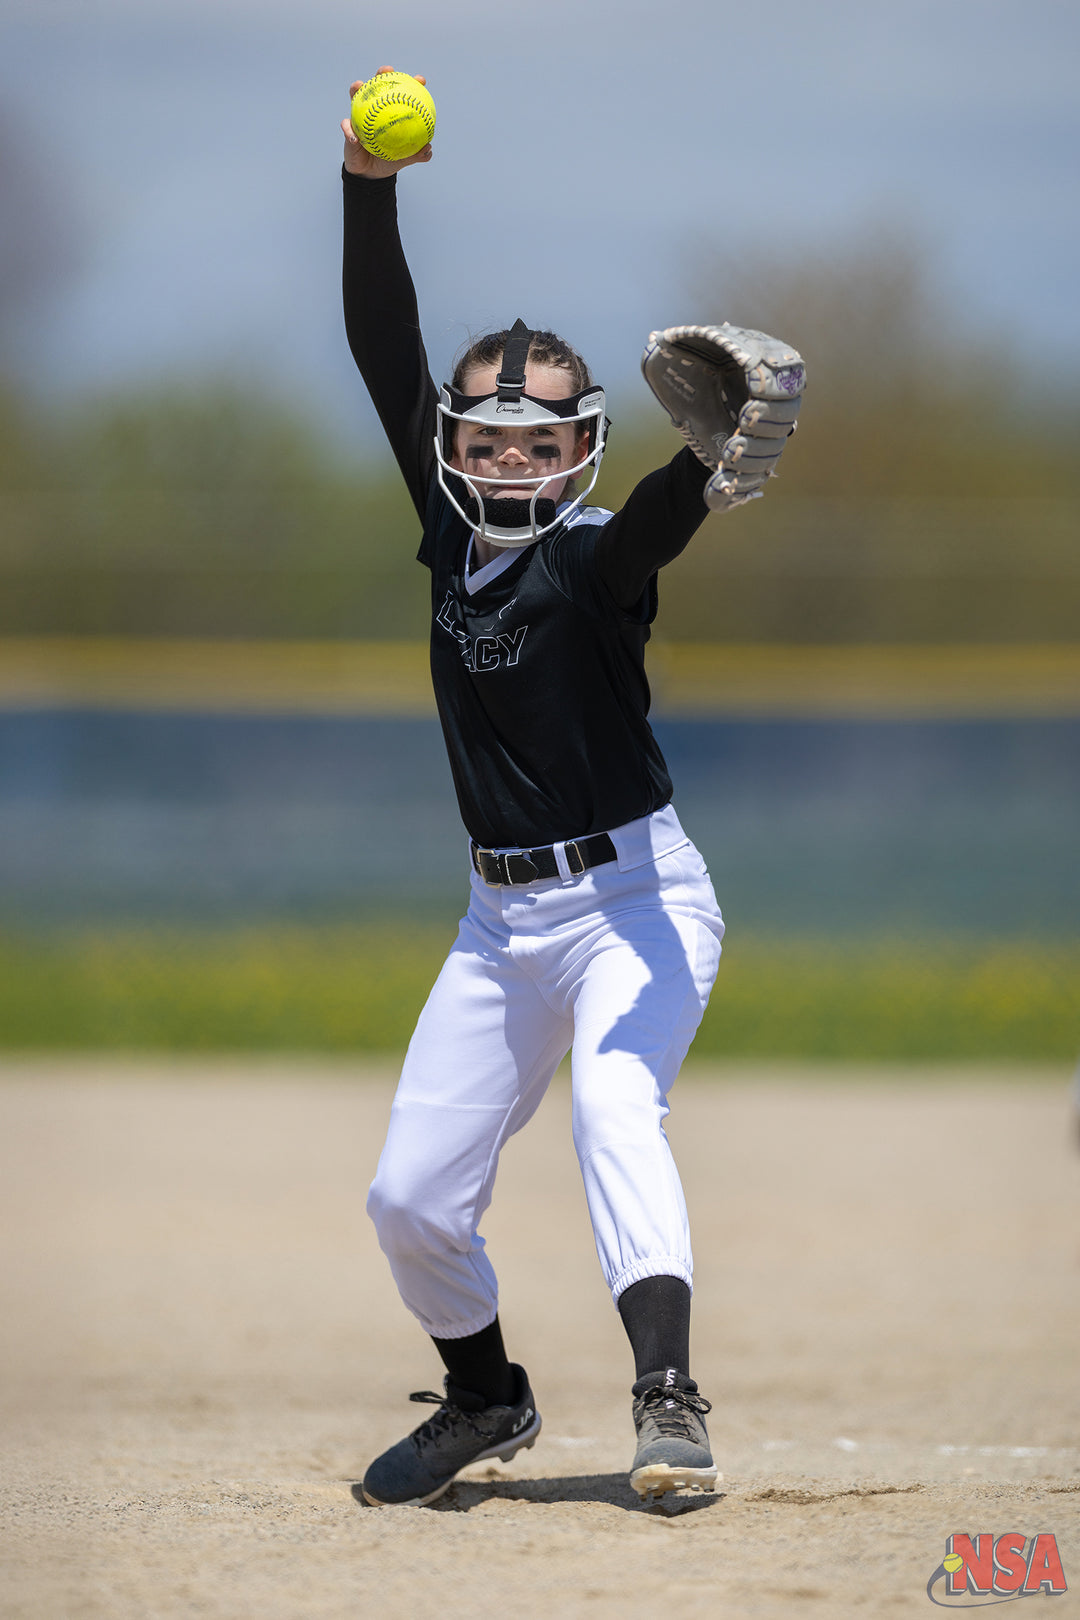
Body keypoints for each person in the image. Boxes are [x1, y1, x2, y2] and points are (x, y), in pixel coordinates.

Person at [342, 68, 734, 1508]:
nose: (513, 454)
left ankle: (668, 1398)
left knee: (615, 1111)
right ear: (454, 445)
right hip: (498, 928)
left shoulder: (590, 560)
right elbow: (385, 346)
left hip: (637, 899)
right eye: (488, 436)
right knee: (407, 1201)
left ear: (581, 453)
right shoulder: (449, 544)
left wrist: (709, 460)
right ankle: (485, 1397)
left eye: (543, 438)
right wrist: (366, 186)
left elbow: (650, 534)